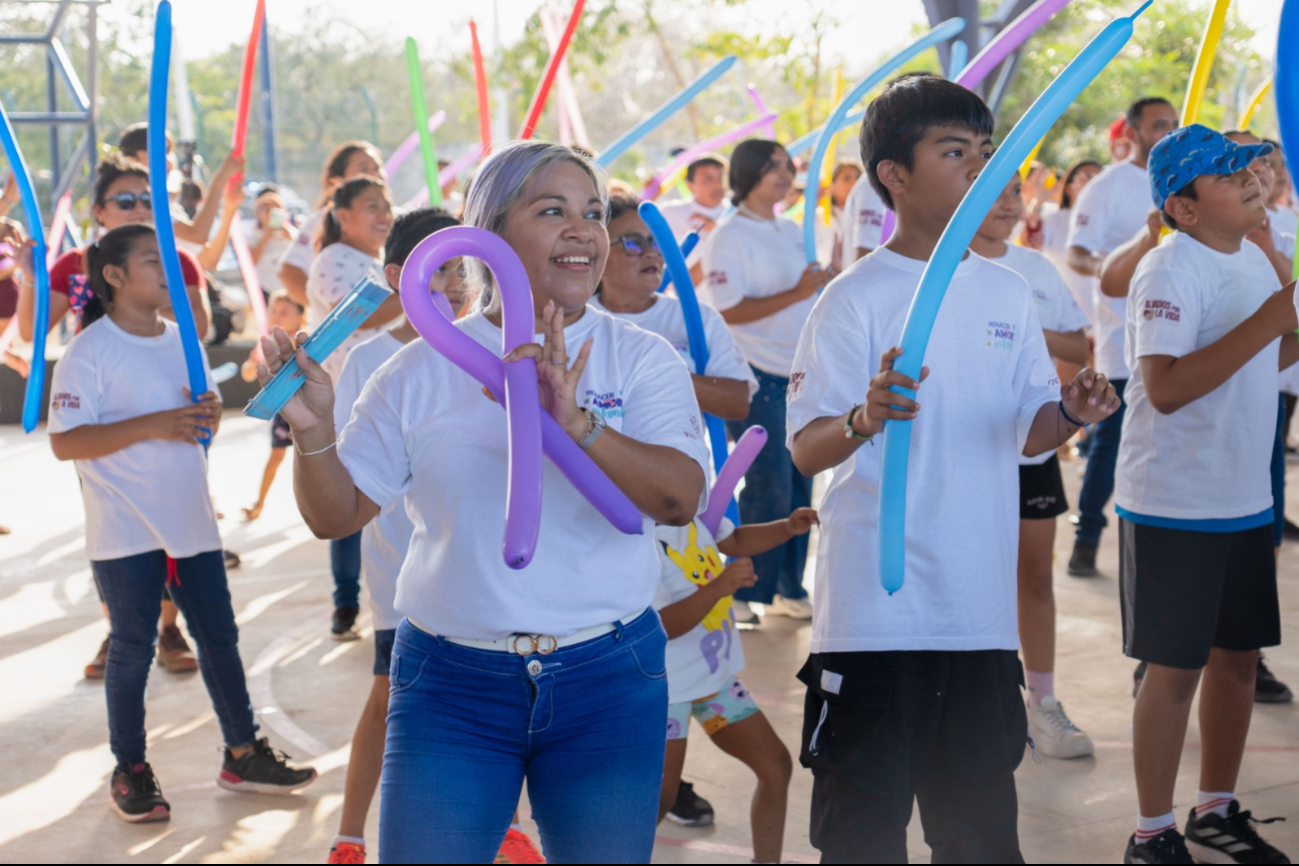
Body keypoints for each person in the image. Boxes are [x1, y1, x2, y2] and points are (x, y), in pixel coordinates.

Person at [255, 141, 709, 863]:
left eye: (591, 212)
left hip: (608, 677)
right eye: (552, 209)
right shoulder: (415, 369)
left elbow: (679, 498)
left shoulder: (640, 357)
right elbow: (334, 515)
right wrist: (314, 428)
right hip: (451, 683)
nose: (585, 232)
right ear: (486, 234)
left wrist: (576, 424)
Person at [786, 72, 1119, 863]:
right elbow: (806, 447)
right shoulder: (854, 298)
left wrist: (1073, 409)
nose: (980, 167)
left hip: (976, 617)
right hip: (874, 614)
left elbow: (1028, 432)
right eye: (953, 151)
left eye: (984, 150)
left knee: (979, 839)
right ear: (893, 176)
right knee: (862, 839)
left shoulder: (1006, 294)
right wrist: (865, 418)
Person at [46, 223, 317, 823]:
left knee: (219, 638)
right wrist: (157, 423)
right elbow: (66, 442)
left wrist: (207, 416)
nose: (170, 272)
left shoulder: (183, 340)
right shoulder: (89, 351)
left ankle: (242, 752)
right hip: (125, 528)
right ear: (113, 276)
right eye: (153, 261)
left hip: (190, 520)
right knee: (132, 647)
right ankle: (131, 768)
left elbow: (196, 425)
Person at [325, 206, 547, 866]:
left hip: (483, 567)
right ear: (398, 276)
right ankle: (351, 833)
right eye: (437, 267)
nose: (455, 282)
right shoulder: (374, 358)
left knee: (498, 702)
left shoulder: (496, 348)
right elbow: (353, 475)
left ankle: (500, 825)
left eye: (464, 267)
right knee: (388, 699)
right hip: (406, 571)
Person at [1114, 125, 1296, 866]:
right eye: (1225, 175)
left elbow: (1267, 356)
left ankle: (1213, 809)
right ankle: (1150, 830)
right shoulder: (1169, 268)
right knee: (1175, 668)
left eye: (1247, 167)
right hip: (1173, 502)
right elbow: (1164, 388)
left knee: (1237, 660)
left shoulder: (1251, 257)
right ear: (1183, 209)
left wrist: (1287, 325)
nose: (1249, 177)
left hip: (1241, 493)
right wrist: (1270, 319)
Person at [16, 153, 212, 679]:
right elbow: (35, 332)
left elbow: (199, 323)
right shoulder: (72, 266)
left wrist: (148, 285)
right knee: (114, 530)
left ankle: (168, 628)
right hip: (103, 418)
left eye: (147, 200)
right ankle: (124, 627)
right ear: (99, 210)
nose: (137, 208)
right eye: (124, 201)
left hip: (172, 413)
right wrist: (30, 276)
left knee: (174, 527)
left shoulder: (173, 260)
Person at [969, 175, 1095, 760]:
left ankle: (1040, 702)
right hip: (968, 452)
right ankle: (977, 702)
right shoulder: (942, 268)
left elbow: (1078, 344)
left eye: (1014, 189)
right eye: (991, 188)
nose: (1007, 200)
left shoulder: (1036, 270)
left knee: (1034, 577)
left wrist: (1021, 325)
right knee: (971, 577)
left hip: (1035, 448)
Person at [702, 139, 829, 625]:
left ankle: (790, 586)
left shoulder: (792, 228)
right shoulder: (729, 235)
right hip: (757, 372)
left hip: (801, 372)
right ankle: (740, 589)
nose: (785, 173)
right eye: (774, 166)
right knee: (767, 484)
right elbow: (729, 308)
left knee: (802, 483)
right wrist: (797, 290)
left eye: (787, 165)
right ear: (749, 173)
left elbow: (809, 288)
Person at [654, 507, 817, 864]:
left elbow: (737, 539)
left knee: (775, 767)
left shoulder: (692, 515)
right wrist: (720, 587)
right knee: (659, 799)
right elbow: (659, 627)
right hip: (665, 695)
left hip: (715, 682)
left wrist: (787, 527)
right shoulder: (640, 538)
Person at [1065, 96, 1178, 577]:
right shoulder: (1107, 187)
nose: (1168, 131)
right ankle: (1085, 538)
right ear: (1131, 132)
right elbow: (1077, 254)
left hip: (1175, 338)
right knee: (1111, 443)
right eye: (1158, 125)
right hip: (1122, 340)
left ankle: (1164, 549)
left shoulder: (1180, 183)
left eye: (1174, 124)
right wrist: (1116, 270)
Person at [307, 175, 401, 642]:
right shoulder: (332, 259)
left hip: (379, 396)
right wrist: (418, 289)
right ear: (342, 215)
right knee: (347, 501)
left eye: (387, 205)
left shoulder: (375, 262)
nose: (385, 213)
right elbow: (365, 314)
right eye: (372, 206)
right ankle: (346, 600)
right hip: (341, 399)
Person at [592, 192, 755, 421]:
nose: (650, 253)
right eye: (633, 242)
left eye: (656, 241)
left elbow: (737, 403)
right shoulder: (572, 320)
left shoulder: (697, 316)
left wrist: (662, 369)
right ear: (597, 252)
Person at [277, 141, 385, 308]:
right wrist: (324, 310)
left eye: (377, 168)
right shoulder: (322, 221)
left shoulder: (391, 217)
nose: (374, 175)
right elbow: (289, 272)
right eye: (364, 169)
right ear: (337, 180)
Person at [117, 122, 244, 258]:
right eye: (161, 151)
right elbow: (197, 235)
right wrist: (219, 180)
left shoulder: (170, 206)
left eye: (169, 152)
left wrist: (229, 210)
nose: (168, 160)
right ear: (131, 158)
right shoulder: (133, 204)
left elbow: (208, 259)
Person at [239, 292, 306, 522]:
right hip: (282, 410)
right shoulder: (267, 342)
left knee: (310, 458)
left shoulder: (306, 340)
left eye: (284, 312)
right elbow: (247, 374)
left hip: (306, 407)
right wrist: (254, 364)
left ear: (301, 316)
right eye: (274, 311)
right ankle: (259, 504)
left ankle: (315, 506)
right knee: (276, 455)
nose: (277, 316)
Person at [659, 153, 728, 280]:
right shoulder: (670, 213)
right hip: (689, 295)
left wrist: (718, 230)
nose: (716, 184)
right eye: (707, 179)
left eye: (720, 178)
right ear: (690, 185)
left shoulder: (738, 213)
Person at [245, 185, 297, 297]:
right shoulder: (252, 235)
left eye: (275, 209)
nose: (271, 213)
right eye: (267, 210)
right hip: (264, 288)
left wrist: (288, 234)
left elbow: (305, 255)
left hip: (289, 288)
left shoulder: (291, 232)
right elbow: (249, 263)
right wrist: (266, 236)